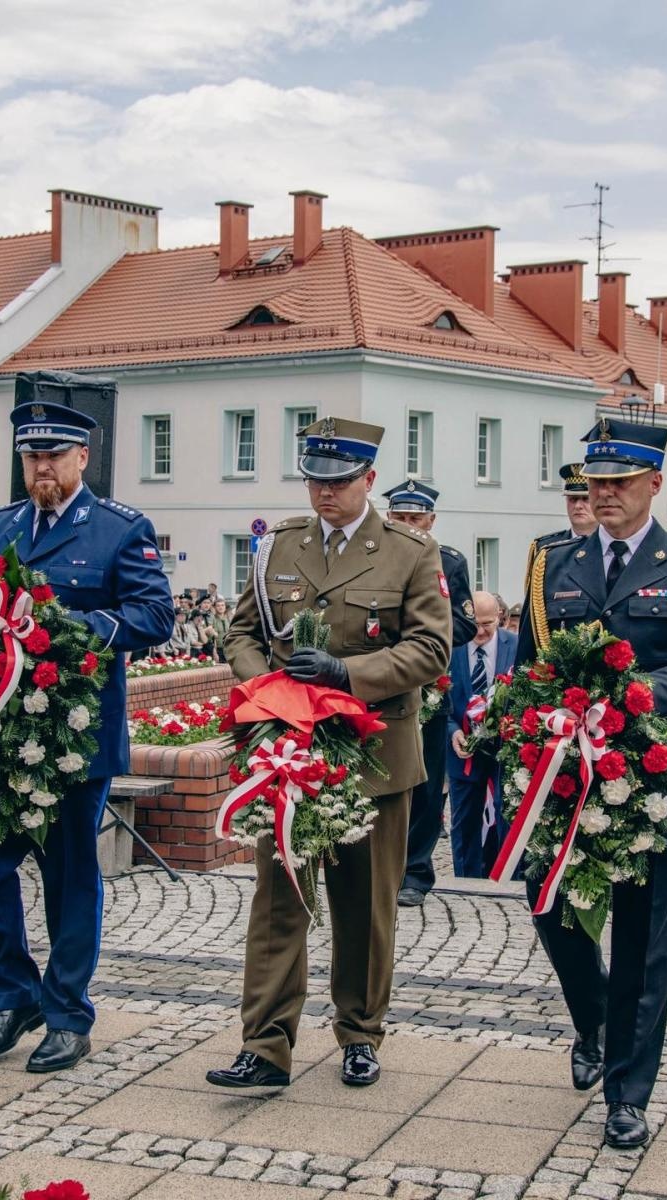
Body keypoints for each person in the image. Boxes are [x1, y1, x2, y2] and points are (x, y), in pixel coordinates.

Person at [207, 416, 451, 1090]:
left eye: (339, 481)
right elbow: (242, 633)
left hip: (373, 755)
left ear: (368, 479)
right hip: (289, 751)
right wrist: (270, 690)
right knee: (279, 901)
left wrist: (347, 675)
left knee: (365, 905)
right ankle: (265, 1046)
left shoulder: (410, 551)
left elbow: (431, 649)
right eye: (315, 480)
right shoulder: (280, 545)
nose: (325, 492)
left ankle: (360, 1033)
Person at [516, 416, 667, 1149]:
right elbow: (531, 668)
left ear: (653, 483)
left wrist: (639, 692)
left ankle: (628, 1093)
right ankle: (595, 1019)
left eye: (619, 481)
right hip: (564, 774)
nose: (604, 493)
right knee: (548, 903)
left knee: (643, 936)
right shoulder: (554, 565)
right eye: (596, 481)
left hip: (652, 774)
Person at [0, 400, 174, 1073]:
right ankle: (13, 996)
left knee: (69, 877)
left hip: (75, 738)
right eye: (32, 456)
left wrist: (75, 631)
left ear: (83, 457)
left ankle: (67, 1015)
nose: (41, 466)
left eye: (53, 454)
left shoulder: (119, 529)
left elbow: (154, 615)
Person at [380, 478, 476, 908]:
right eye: (400, 517)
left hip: (427, 688)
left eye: (416, 518)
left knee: (425, 783)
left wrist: (423, 638)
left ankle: (415, 872)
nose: (408, 524)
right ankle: (378, 865)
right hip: (380, 684)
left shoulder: (448, 562)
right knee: (378, 778)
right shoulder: (373, 559)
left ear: (431, 521)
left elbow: (467, 623)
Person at [447, 591, 517, 877]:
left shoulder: (515, 645)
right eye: (474, 624)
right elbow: (437, 701)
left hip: (505, 749)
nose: (479, 631)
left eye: (487, 624)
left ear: (499, 617)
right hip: (463, 750)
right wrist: (452, 731)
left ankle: (508, 878)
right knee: (464, 821)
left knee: (508, 816)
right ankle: (466, 880)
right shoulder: (450, 647)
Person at [523, 462, 599, 595]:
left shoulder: (612, 546)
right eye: (573, 499)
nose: (578, 506)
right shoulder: (546, 549)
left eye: (585, 499)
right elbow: (534, 601)